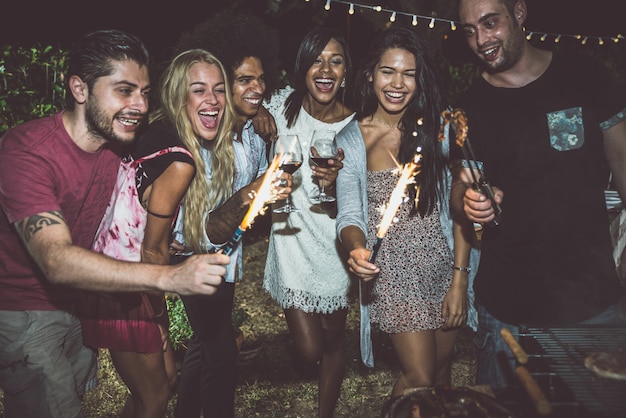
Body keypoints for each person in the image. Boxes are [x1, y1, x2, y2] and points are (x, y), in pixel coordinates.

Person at [0, 31, 229, 418]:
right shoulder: (26, 152)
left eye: (144, 92)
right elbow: (55, 260)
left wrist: (260, 116)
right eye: (124, 91)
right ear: (79, 88)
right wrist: (166, 279)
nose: (139, 105)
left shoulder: (116, 146)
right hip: (24, 313)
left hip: (80, 302)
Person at [452, 0, 626, 393]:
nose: (480, 40)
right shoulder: (470, 107)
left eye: (490, 22)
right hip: (507, 313)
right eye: (469, 30)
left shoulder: (584, 74)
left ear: (519, 12)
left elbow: (623, 162)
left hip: (591, 305)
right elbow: (460, 186)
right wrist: (468, 199)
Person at [335, 26, 476, 398]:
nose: (397, 83)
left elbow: (460, 207)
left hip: (443, 269)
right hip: (394, 276)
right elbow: (349, 214)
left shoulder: (437, 131)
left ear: (420, 79)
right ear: (371, 74)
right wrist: (356, 248)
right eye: (388, 71)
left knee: (441, 377)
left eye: (409, 73)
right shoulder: (351, 139)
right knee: (420, 378)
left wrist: (459, 282)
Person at [168, 13, 282, 418]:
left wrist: (262, 118)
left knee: (202, 347)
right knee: (221, 355)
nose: (256, 88)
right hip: (193, 255)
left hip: (225, 257)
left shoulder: (250, 131)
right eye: (244, 80)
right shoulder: (199, 138)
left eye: (260, 79)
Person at [260, 26, 354, 418]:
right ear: (303, 67)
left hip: (333, 243)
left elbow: (356, 204)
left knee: (332, 340)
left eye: (335, 60)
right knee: (309, 349)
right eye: (317, 59)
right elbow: (240, 97)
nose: (325, 69)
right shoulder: (283, 107)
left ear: (346, 71)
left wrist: (336, 189)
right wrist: (258, 113)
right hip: (291, 238)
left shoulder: (354, 127)